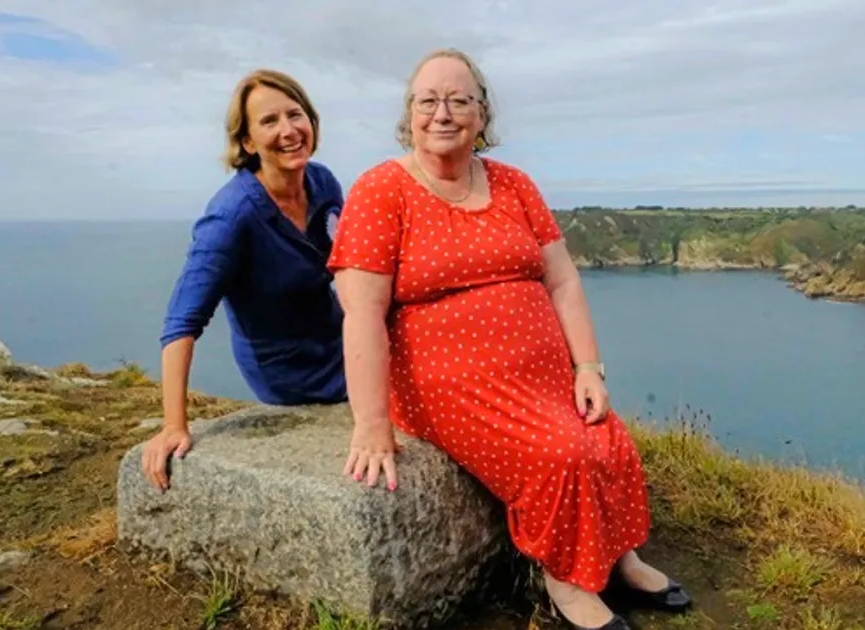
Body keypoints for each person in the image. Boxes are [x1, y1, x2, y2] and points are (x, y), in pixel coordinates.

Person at [327, 49, 691, 630]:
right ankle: (569, 586)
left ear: (481, 112)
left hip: (542, 374)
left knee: (608, 439)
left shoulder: (514, 184)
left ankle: (622, 559)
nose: (442, 113)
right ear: (410, 113)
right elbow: (362, 314)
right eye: (428, 101)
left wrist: (588, 366)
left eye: (459, 100)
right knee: (562, 454)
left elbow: (563, 280)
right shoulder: (381, 191)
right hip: (448, 386)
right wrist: (371, 424)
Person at [141, 69, 348, 492]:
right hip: (292, 371)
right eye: (269, 121)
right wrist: (173, 425)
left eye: (296, 114)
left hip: (339, 338)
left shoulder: (322, 182)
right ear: (247, 142)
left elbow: (348, 267)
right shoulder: (231, 218)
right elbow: (181, 322)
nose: (289, 130)